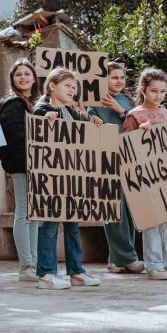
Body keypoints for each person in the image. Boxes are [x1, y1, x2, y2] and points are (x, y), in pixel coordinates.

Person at [31, 68, 104, 290]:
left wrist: (92, 124)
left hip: (71, 180)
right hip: (52, 180)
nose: (72, 90)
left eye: (74, 87)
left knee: (73, 225)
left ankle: (76, 271)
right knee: (51, 225)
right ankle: (46, 274)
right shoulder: (41, 110)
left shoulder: (72, 113)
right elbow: (35, 131)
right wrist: (45, 121)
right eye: (67, 85)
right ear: (52, 86)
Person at [122, 68, 167, 281]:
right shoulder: (134, 115)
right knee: (151, 222)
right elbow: (125, 146)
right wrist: (139, 133)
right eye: (154, 91)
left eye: (163, 91)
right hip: (145, 177)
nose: (158, 95)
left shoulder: (164, 112)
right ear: (142, 90)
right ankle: (154, 264)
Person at [87, 61, 145, 275]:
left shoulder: (129, 101)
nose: (119, 81)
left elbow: (139, 125)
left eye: (122, 77)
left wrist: (121, 111)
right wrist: (91, 119)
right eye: (114, 77)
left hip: (130, 158)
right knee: (113, 208)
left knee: (129, 211)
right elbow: (89, 128)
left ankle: (116, 260)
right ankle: (128, 258)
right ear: (104, 80)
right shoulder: (94, 102)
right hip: (107, 160)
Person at [0, 59, 41, 283]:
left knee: (33, 215)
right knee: (24, 213)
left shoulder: (35, 103)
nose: (23, 77)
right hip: (23, 166)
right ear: (12, 80)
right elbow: (16, 138)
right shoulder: (13, 104)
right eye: (18, 74)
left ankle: (34, 263)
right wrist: (31, 164)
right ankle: (26, 265)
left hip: (35, 166)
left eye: (27, 73)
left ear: (34, 78)